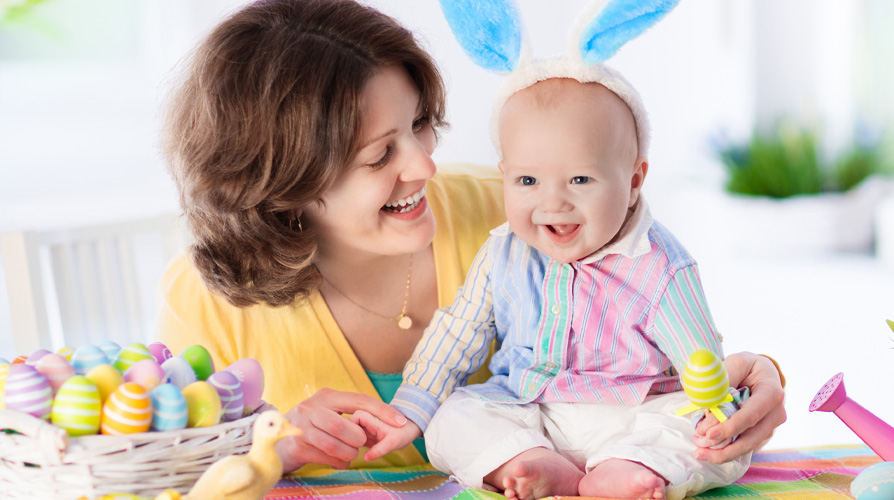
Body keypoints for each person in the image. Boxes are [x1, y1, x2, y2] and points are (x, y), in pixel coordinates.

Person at [156, 0, 786, 478]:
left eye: (420, 125)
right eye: (381, 156)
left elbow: (656, 316)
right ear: (283, 183)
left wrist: (752, 375)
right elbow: (163, 470)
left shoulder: (520, 210)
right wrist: (274, 444)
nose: (425, 166)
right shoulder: (206, 299)